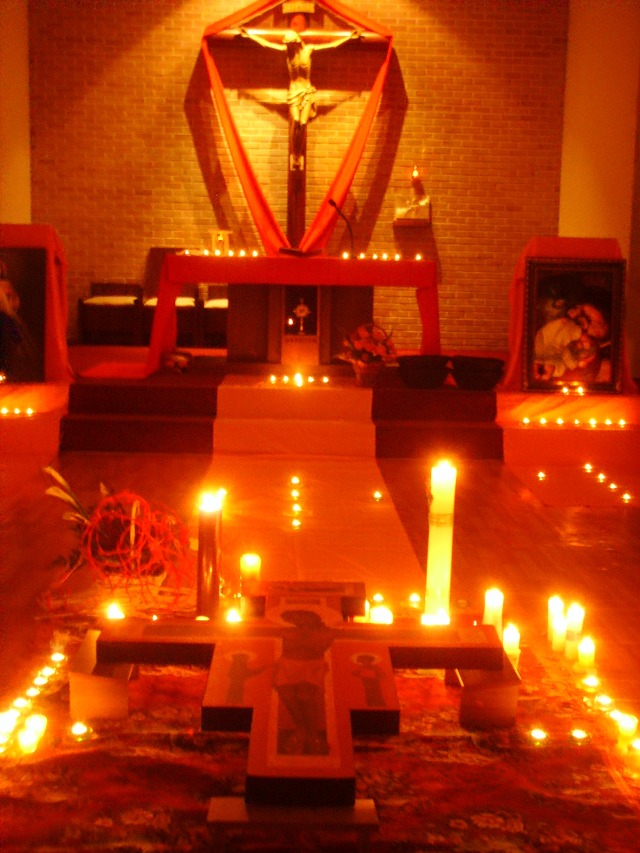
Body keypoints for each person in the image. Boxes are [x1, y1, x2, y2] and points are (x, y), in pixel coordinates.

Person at [240, 14, 360, 169]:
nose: (289, 47)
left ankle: (297, 154)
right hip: (293, 93)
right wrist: (249, 35)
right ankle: (295, 154)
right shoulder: (287, 52)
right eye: (288, 44)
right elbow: (266, 44)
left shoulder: (308, 50)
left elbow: (331, 45)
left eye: (291, 44)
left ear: (297, 43)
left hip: (307, 92)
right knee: (295, 121)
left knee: (303, 123)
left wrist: (349, 37)